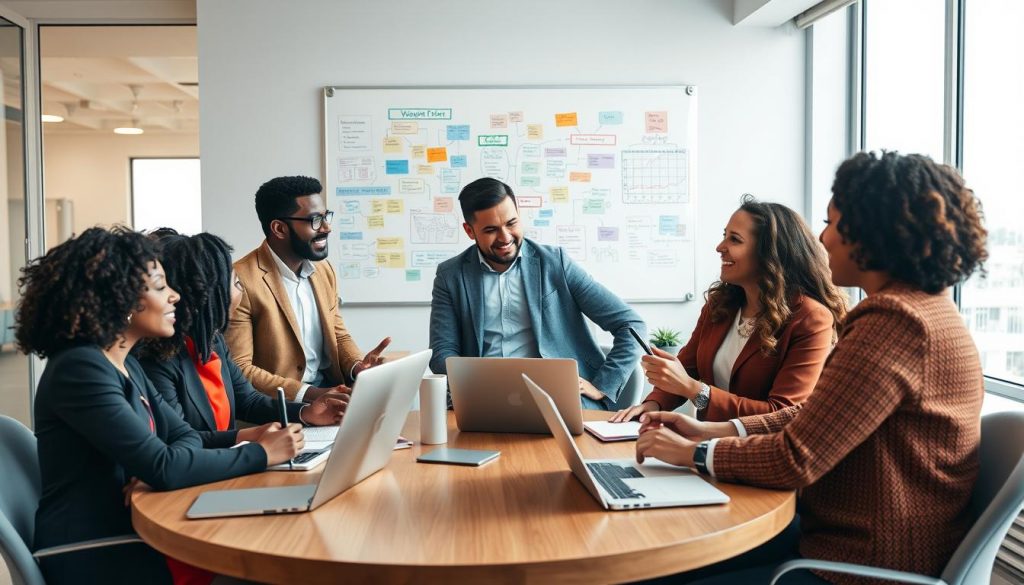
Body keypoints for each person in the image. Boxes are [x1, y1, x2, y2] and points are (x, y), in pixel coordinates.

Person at [635, 151, 988, 583]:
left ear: (873, 232)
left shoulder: (897, 323)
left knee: (655, 571)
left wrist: (693, 453)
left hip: (861, 566)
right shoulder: (922, 312)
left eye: (833, 223)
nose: (822, 239)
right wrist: (714, 430)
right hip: (839, 543)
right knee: (665, 561)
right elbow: (814, 417)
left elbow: (796, 459)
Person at [16, 227, 303, 585]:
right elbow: (165, 466)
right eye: (159, 286)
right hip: (99, 549)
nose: (174, 296)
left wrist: (166, 460)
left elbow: (182, 439)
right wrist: (261, 453)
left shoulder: (125, 362)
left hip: (136, 527)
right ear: (116, 297)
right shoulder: (81, 369)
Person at [611, 196, 847, 423]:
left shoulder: (811, 318)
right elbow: (688, 368)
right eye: (724, 236)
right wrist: (651, 405)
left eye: (735, 239)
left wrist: (695, 390)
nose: (719, 247)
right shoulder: (720, 304)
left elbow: (780, 415)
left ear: (769, 253)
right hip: (705, 444)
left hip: (759, 453)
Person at [429, 177, 646, 410]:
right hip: (485, 400)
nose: (505, 238)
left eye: (511, 223)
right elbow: (442, 352)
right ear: (469, 231)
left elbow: (631, 325)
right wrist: (476, 386)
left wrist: (603, 385)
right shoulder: (450, 276)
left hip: (561, 401)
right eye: (491, 230)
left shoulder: (556, 263)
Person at [139, 231, 347, 447]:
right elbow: (180, 441)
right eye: (237, 284)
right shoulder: (157, 360)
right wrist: (252, 438)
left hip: (229, 464)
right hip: (208, 471)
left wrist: (307, 413)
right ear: (210, 293)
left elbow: (248, 400)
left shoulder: (213, 342)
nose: (242, 292)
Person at [226, 175, 391, 402]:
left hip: (331, 390)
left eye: (326, 217)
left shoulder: (324, 270)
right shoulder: (240, 280)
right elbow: (240, 369)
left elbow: (337, 334)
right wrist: (310, 395)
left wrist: (356, 366)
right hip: (279, 407)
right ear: (279, 228)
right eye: (315, 220)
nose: (327, 227)